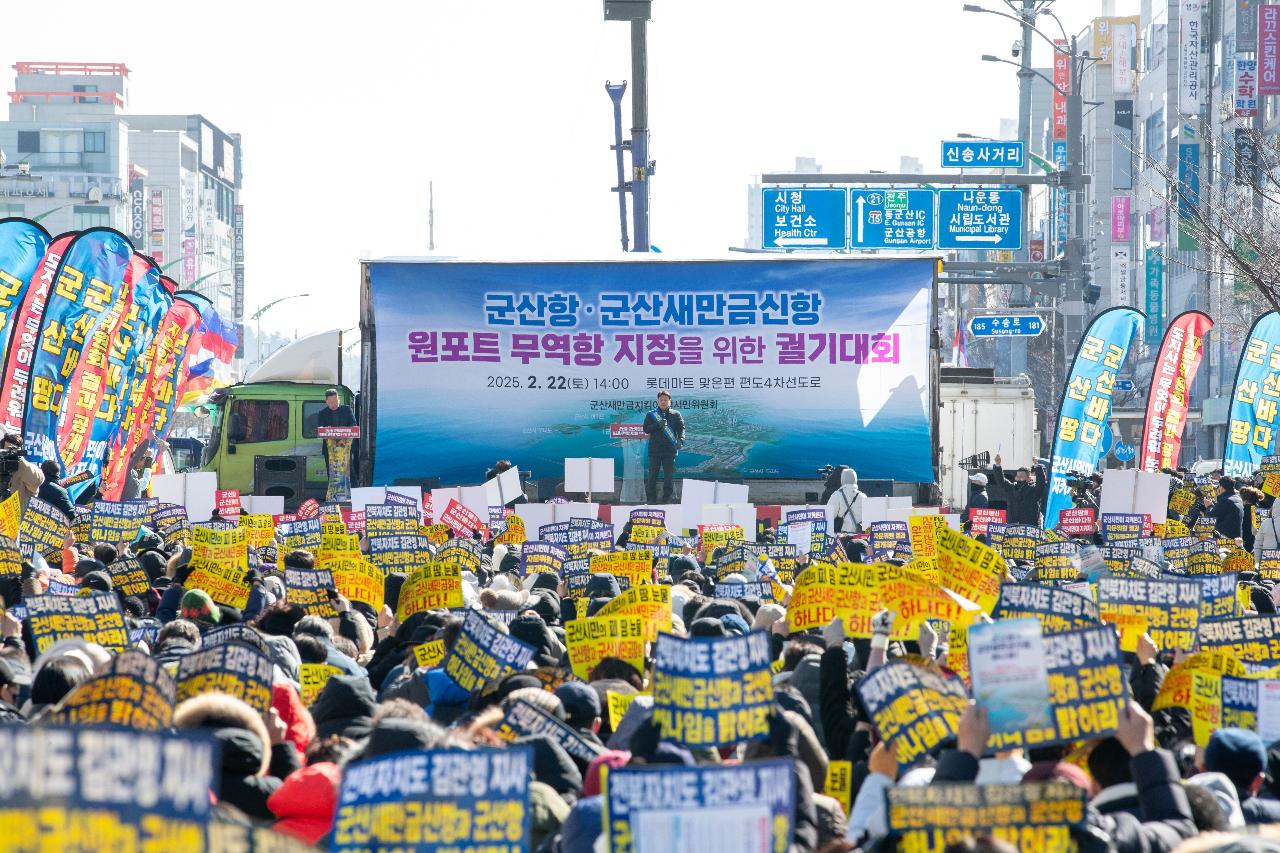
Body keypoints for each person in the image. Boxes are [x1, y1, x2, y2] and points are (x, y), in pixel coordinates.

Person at [643, 390, 684, 504]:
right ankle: (651, 498)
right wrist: (657, 425)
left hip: (669, 451)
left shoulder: (676, 414)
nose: (663, 402)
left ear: (670, 401)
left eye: (666, 400)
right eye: (661, 399)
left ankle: (666, 498)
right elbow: (646, 429)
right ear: (657, 401)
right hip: (654, 451)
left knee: (668, 477)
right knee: (652, 476)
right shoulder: (651, 414)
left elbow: (681, 429)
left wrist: (681, 440)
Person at [993, 454, 1046, 526]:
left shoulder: (1033, 490)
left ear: (1028, 478)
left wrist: (1037, 465)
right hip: (1013, 525)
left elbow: (1041, 483)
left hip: (1028, 526)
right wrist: (998, 465)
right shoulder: (1011, 487)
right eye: (1017, 476)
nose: (1018, 478)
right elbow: (1001, 481)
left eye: (1021, 476)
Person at [0, 432, 43, 511]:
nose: (11, 452)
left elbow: (37, 482)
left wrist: (20, 461)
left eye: (14, 449)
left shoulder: (27, 468)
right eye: (7, 449)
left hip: (17, 517)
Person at [824, 468, 864, 534]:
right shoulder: (863, 496)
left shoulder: (837, 495)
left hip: (844, 535)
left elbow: (828, 516)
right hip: (860, 534)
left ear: (842, 479)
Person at [1206, 476, 1245, 541]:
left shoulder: (1225, 500)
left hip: (1225, 538)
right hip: (1237, 537)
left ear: (1221, 487)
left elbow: (1211, 518)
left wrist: (1208, 506)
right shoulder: (1238, 498)